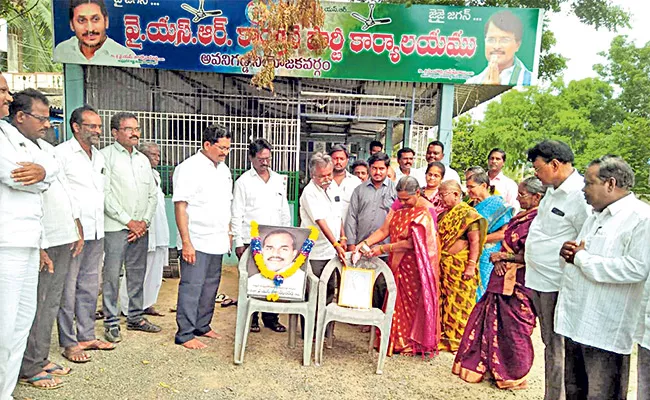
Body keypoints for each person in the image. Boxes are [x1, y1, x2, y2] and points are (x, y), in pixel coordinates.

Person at [556, 155, 650, 400]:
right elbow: (583, 253)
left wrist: (582, 259)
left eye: (588, 183)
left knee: (602, 394)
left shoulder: (640, 218)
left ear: (610, 184)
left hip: (606, 330)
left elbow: (636, 268)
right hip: (578, 322)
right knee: (575, 391)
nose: (583, 190)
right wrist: (570, 252)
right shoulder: (595, 215)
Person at [14, 90, 84, 389]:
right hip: (44, 239)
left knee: (51, 303)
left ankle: (39, 357)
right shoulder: (15, 151)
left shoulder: (45, 149)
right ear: (20, 116)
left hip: (63, 234)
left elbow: (64, 190)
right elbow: (27, 201)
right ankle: (29, 366)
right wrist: (40, 244)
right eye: (41, 118)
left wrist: (76, 226)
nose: (47, 123)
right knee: (37, 304)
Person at [453, 177, 544, 389]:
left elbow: (535, 254)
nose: (518, 199)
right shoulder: (522, 215)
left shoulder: (541, 221)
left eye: (522, 195)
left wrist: (504, 258)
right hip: (501, 275)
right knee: (492, 323)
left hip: (521, 281)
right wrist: (501, 257)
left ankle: (514, 373)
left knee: (515, 329)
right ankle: (492, 368)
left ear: (537, 197)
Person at [0, 84, 60, 398]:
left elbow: (52, 164)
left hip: (25, 242)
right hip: (5, 244)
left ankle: (5, 391)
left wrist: (43, 174)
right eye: (1, 90)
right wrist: (41, 179)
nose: (7, 97)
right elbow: (14, 176)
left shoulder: (19, 139)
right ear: (22, 117)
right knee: (4, 326)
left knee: (21, 323)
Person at [524, 140, 589, 400]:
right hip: (539, 278)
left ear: (555, 164)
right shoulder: (552, 189)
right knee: (550, 344)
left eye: (539, 169)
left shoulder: (581, 195)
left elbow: (586, 240)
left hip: (557, 281)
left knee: (558, 347)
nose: (536, 175)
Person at [357, 176, 440, 356]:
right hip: (397, 264)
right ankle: (393, 339)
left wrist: (384, 248)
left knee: (410, 303)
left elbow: (413, 243)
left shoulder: (425, 212)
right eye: (399, 199)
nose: (402, 203)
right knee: (395, 300)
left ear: (417, 193)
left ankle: (410, 342)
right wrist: (364, 244)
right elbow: (383, 230)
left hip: (415, 267)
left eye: (406, 199)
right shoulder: (399, 208)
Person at [55, 105, 111, 363]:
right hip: (71, 234)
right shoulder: (61, 155)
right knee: (68, 288)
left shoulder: (98, 157)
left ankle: (87, 335)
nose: (98, 130)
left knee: (89, 286)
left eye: (99, 126)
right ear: (76, 127)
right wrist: (73, 227)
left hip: (96, 230)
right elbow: (60, 195)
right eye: (92, 126)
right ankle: (69, 342)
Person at [102, 112, 160, 343]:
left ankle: (136, 317)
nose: (135, 133)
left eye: (137, 128)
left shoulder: (142, 160)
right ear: (115, 133)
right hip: (117, 227)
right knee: (112, 274)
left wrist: (143, 222)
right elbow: (105, 195)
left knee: (137, 273)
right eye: (128, 129)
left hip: (140, 228)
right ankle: (111, 321)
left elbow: (152, 195)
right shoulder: (105, 157)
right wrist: (129, 221)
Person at [173, 124, 232, 350]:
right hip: (196, 239)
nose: (225, 153)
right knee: (192, 286)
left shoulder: (224, 169)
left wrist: (228, 232)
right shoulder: (189, 168)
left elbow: (226, 203)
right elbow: (180, 206)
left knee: (210, 286)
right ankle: (185, 333)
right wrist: (186, 242)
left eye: (228, 148)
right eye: (221, 148)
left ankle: (202, 325)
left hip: (216, 238)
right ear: (207, 144)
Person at [231, 138, 291, 334]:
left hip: (274, 241)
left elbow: (283, 210)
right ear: (251, 158)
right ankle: (252, 318)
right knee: (251, 281)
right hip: (251, 240)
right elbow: (237, 213)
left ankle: (271, 318)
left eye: (268, 158)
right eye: (260, 159)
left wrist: (287, 236)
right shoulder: (243, 182)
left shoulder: (278, 179)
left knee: (272, 280)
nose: (265, 162)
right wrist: (239, 242)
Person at [119, 142, 168, 318]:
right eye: (154, 155)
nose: (157, 158)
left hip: (159, 226)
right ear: (144, 156)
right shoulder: (136, 172)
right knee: (137, 269)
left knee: (155, 269)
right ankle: (127, 307)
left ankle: (147, 303)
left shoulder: (155, 174)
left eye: (158, 155)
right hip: (142, 226)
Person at [437, 180, 487, 353]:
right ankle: (444, 338)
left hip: (461, 266)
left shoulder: (469, 215)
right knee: (444, 300)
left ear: (456, 194)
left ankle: (460, 340)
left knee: (461, 303)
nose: (440, 198)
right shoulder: (443, 215)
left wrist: (471, 266)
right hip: (444, 265)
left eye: (443, 195)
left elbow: (475, 242)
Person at [345, 152, 396, 309]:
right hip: (362, 245)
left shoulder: (395, 190)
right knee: (363, 280)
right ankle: (363, 316)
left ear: (387, 169)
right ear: (369, 169)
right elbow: (351, 217)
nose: (378, 172)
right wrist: (352, 243)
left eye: (381, 168)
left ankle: (378, 317)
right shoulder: (359, 190)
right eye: (374, 168)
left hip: (385, 247)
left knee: (381, 283)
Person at [299, 152, 346, 305]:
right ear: (312, 175)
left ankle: (326, 329)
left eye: (329, 174)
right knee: (313, 294)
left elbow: (338, 215)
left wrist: (342, 237)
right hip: (315, 253)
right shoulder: (309, 193)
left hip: (331, 252)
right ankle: (310, 329)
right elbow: (321, 222)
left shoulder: (333, 187)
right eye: (321, 176)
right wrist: (336, 244)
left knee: (329, 292)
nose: (327, 179)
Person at [466, 171, 514, 300]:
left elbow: (504, 233)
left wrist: (477, 240)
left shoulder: (499, 205)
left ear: (483, 186)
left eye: (471, 187)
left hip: (488, 252)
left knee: (484, 289)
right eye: (467, 187)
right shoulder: (469, 205)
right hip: (470, 252)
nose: (468, 190)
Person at [53, 0, 139, 67]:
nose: (90, 29)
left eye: (95, 19)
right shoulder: (62, 50)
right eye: (82, 20)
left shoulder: (127, 57)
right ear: (72, 25)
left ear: (106, 21)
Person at [465, 10, 532, 86]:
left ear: (517, 45)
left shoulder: (531, 81)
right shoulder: (471, 82)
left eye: (504, 40)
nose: (496, 47)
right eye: (491, 39)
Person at [247, 229, 306, 301]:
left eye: (284, 249)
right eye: (269, 248)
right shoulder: (253, 281)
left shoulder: (301, 282)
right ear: (262, 251)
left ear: (294, 253)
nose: (275, 254)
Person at [329, 145, 362, 224]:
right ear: (329, 159)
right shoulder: (323, 181)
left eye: (342, 159)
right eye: (335, 158)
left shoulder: (355, 182)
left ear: (347, 160)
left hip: (348, 231)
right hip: (325, 231)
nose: (338, 162)